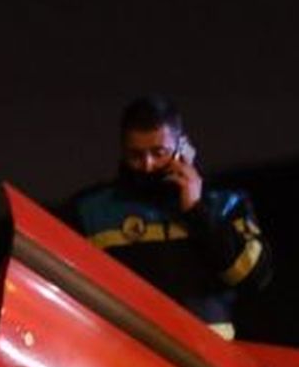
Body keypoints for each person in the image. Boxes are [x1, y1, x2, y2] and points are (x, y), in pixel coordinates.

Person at [67, 95, 271, 341]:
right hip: (129, 357)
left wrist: (197, 211)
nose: (147, 165)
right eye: (136, 155)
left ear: (183, 148)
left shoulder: (226, 204)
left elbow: (253, 278)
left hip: (209, 361)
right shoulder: (92, 210)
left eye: (159, 152)